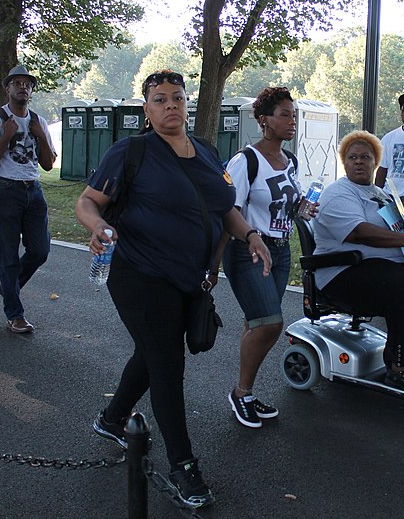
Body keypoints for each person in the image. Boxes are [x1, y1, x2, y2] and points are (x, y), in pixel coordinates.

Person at [75, 70, 271, 509]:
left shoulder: (205, 151)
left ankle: (111, 419)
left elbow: (225, 210)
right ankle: (183, 466)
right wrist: (100, 226)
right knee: (166, 360)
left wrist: (250, 236)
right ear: (146, 110)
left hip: (189, 277)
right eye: (160, 99)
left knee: (153, 351)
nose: (170, 106)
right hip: (138, 273)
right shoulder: (132, 152)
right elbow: (87, 202)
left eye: (177, 98)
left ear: (187, 104)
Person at [314, 130, 404, 392]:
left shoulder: (380, 194)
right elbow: (360, 232)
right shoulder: (338, 194)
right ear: (345, 162)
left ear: (377, 162)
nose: (359, 162)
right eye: (352, 157)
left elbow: (399, 229)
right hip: (341, 270)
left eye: (366, 156)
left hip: (375, 266)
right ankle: (398, 366)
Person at [219, 86, 310, 428]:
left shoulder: (291, 161)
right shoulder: (246, 160)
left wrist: (302, 207)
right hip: (248, 250)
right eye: (284, 114)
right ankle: (241, 393)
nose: (292, 121)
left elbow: (288, 202)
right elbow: (229, 209)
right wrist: (214, 266)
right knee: (270, 323)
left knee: (256, 322)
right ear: (263, 120)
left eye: (294, 115)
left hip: (281, 250)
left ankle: (247, 392)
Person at [0, 65, 57, 333]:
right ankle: (15, 314)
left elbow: (47, 164)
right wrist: (6, 136)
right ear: (7, 88)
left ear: (32, 90)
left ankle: (8, 286)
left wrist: (41, 136)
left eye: (27, 84)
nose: (23, 87)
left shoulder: (39, 121)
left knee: (40, 250)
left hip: (34, 190)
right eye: (17, 83)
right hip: (6, 191)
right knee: (9, 256)